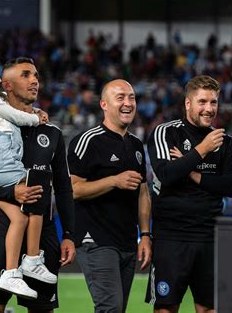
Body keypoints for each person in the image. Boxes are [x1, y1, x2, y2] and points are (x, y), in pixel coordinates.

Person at [0, 56, 76, 313]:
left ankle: (33, 261)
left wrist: (68, 234)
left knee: (42, 309)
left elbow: (64, 188)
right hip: (0, 230)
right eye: (26, 75)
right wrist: (10, 191)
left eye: (36, 75)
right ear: (7, 86)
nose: (35, 80)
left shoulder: (52, 133)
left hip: (43, 233)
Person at [145, 75, 232, 313]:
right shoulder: (165, 133)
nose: (209, 109)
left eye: (213, 102)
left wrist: (191, 172)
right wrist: (202, 149)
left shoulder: (226, 142)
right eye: (202, 102)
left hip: (210, 237)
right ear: (188, 104)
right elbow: (167, 174)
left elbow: (231, 186)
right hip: (171, 237)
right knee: (166, 308)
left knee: (209, 309)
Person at [67, 79, 152, 313]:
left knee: (117, 309)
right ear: (104, 104)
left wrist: (145, 234)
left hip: (126, 240)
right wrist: (114, 180)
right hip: (95, 239)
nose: (128, 103)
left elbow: (143, 191)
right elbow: (72, 189)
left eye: (132, 97)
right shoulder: (87, 141)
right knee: (110, 308)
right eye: (120, 98)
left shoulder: (136, 145)